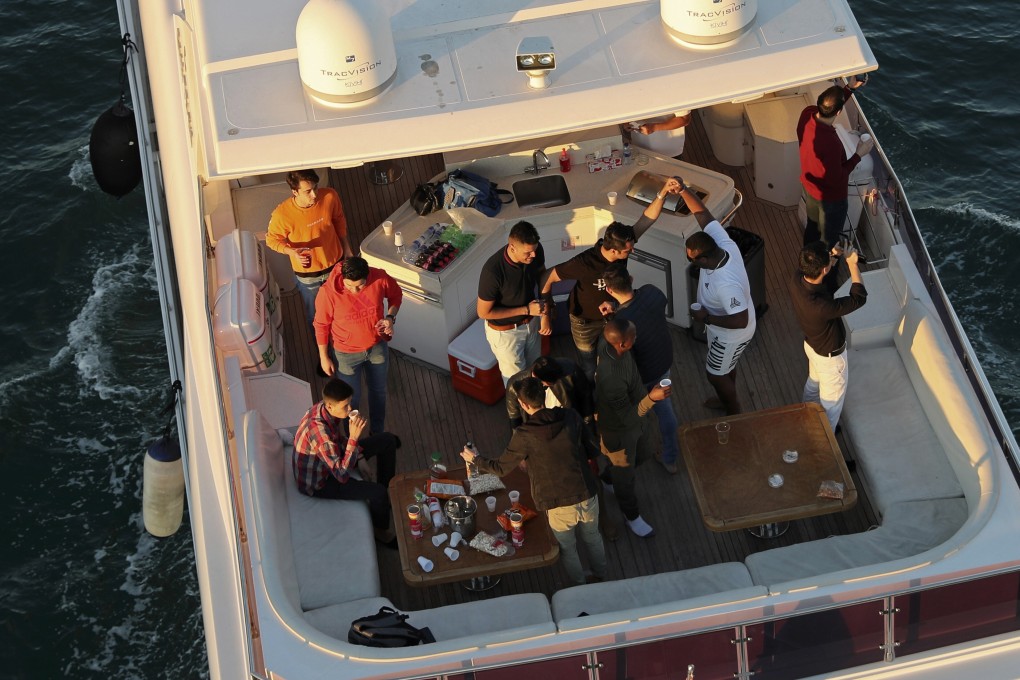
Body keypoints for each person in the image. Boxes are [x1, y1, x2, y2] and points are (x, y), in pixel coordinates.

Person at [460, 377, 607, 585]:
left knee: (568, 548)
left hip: (558, 504)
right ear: (544, 394)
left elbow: (501, 467)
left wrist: (474, 459)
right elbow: (592, 449)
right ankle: (601, 575)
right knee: (593, 538)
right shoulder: (570, 416)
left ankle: (580, 586)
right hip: (586, 492)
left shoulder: (524, 435)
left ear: (523, 404)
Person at [539, 177, 682, 381]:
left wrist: (663, 192)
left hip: (613, 316)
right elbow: (548, 276)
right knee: (588, 365)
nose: (632, 250)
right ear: (614, 250)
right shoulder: (584, 263)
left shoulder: (623, 243)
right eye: (628, 249)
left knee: (612, 359)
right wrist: (546, 310)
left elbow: (647, 219)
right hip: (584, 322)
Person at [292, 378, 400, 545]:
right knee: (378, 492)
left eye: (350, 404)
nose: (350, 409)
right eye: (346, 406)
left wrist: (360, 456)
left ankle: (385, 499)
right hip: (320, 483)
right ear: (330, 406)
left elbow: (338, 440)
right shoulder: (321, 435)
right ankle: (380, 531)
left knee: (388, 440)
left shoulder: (323, 409)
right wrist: (354, 438)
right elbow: (341, 475)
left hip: (331, 461)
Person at [681, 180, 756, 415]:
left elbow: (740, 320)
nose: (689, 261)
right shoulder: (722, 243)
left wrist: (706, 318)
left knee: (715, 374)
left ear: (703, 260)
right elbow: (703, 215)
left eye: (691, 259)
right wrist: (683, 190)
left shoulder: (726, 284)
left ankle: (734, 411)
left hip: (731, 333)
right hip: (721, 327)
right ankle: (727, 397)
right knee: (726, 366)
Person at [595, 319, 671, 538]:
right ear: (623, 345)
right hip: (620, 432)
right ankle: (632, 516)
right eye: (633, 337)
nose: (636, 338)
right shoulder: (612, 379)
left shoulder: (608, 342)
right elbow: (627, 417)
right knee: (625, 481)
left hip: (638, 421)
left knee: (644, 453)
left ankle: (608, 478)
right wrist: (652, 398)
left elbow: (609, 329)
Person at [602, 264, 680, 474]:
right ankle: (670, 458)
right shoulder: (651, 292)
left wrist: (613, 316)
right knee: (666, 413)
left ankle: (627, 463)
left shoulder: (621, 323)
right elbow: (652, 306)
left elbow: (622, 348)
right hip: (663, 362)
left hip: (642, 375)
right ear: (631, 278)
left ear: (609, 290)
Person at [314, 256, 401, 435]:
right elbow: (321, 325)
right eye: (349, 286)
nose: (354, 291)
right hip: (346, 355)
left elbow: (396, 296)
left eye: (360, 286)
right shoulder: (327, 293)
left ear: (368, 276)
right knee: (350, 401)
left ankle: (376, 433)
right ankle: (351, 438)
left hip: (377, 348)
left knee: (378, 392)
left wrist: (390, 318)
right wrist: (324, 357)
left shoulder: (380, 278)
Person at [787, 240, 868, 430]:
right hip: (830, 360)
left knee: (813, 386)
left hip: (813, 347)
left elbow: (818, 268)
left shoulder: (796, 279)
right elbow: (859, 298)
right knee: (831, 410)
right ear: (824, 270)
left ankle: (805, 416)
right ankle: (825, 448)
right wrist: (852, 264)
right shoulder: (821, 307)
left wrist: (833, 254)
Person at [266, 169, 355, 324]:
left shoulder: (330, 196)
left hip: (336, 265)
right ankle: (321, 346)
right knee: (315, 314)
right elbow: (272, 240)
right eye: (308, 191)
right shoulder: (282, 215)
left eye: (315, 188)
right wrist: (292, 252)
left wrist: (347, 248)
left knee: (342, 307)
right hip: (308, 276)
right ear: (295, 191)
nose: (314, 195)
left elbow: (339, 220)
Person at [797, 80, 874, 247]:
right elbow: (837, 178)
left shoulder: (806, 114)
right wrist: (859, 154)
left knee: (812, 228)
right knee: (829, 240)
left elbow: (829, 107)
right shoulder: (831, 143)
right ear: (839, 112)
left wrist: (848, 89)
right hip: (830, 200)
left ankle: (808, 256)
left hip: (810, 190)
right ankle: (826, 269)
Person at [477, 221, 548, 384]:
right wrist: (526, 310)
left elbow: (543, 276)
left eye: (535, 250)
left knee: (536, 372)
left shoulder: (535, 251)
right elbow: (483, 313)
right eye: (528, 253)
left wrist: (546, 312)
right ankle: (519, 409)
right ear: (512, 247)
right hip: (506, 334)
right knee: (517, 384)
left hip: (532, 323)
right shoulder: (492, 271)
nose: (534, 256)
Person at [504, 356, 593, 429]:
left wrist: (587, 423)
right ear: (535, 376)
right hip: (538, 429)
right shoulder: (513, 386)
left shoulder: (570, 369)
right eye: (550, 383)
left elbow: (585, 395)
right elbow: (515, 419)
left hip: (566, 423)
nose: (555, 383)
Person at [628, 109, 693, 158]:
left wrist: (654, 127)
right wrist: (627, 123)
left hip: (667, 152)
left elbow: (684, 119)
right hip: (639, 149)